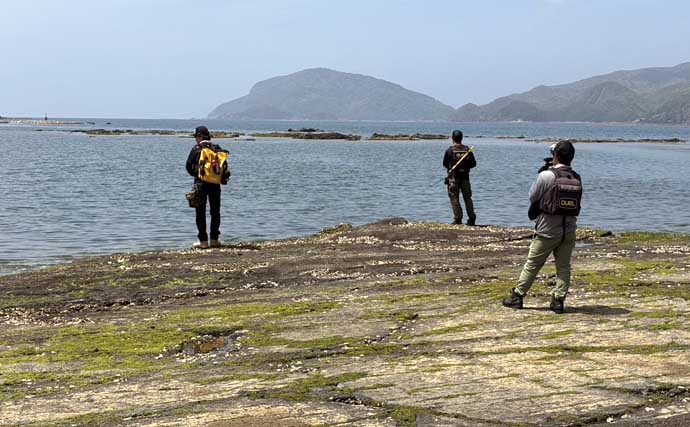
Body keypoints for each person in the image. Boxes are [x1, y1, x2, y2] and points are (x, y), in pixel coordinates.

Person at [502, 140, 582, 314]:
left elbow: (532, 197)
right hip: (568, 230)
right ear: (572, 157)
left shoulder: (546, 176)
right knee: (564, 267)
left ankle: (517, 296)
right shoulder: (576, 177)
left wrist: (543, 173)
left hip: (547, 229)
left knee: (532, 264)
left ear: (555, 156)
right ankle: (558, 301)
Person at [186, 126, 222, 249]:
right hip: (215, 184)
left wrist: (197, 175)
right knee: (215, 212)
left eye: (196, 136)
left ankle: (203, 242)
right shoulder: (216, 148)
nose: (195, 139)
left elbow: (188, 166)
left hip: (200, 183)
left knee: (200, 213)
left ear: (199, 136)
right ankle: (214, 240)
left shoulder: (197, 149)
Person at [442, 130, 477, 225]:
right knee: (467, 198)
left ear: (452, 138)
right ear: (461, 138)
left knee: (454, 198)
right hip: (465, 177)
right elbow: (473, 164)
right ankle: (472, 218)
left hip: (453, 178)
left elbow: (445, 164)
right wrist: (464, 167)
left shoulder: (450, 150)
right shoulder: (467, 150)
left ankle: (458, 219)